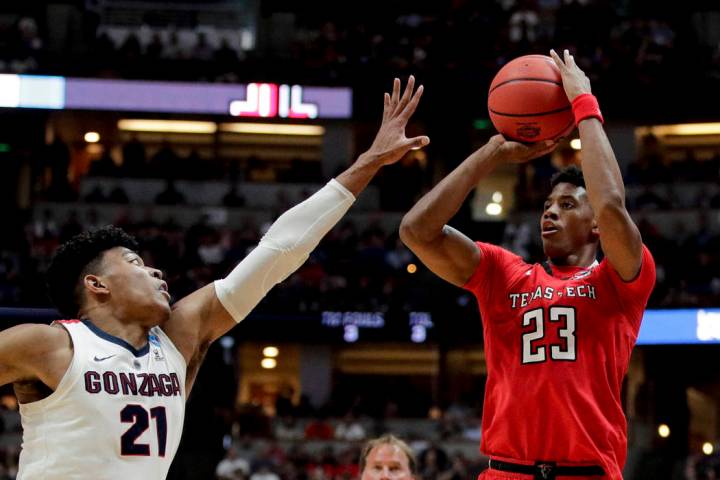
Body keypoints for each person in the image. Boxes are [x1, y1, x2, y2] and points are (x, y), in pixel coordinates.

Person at [0, 77, 429, 479]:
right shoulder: (48, 344)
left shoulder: (178, 338)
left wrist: (369, 162)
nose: (154, 270)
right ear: (97, 285)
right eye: (133, 262)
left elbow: (278, 253)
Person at [400, 49, 655, 480]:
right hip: (507, 472)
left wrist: (584, 105)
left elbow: (611, 205)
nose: (550, 212)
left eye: (568, 204)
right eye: (548, 204)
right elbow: (416, 230)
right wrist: (492, 153)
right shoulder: (505, 273)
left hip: (587, 472)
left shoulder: (622, 278)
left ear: (595, 227)